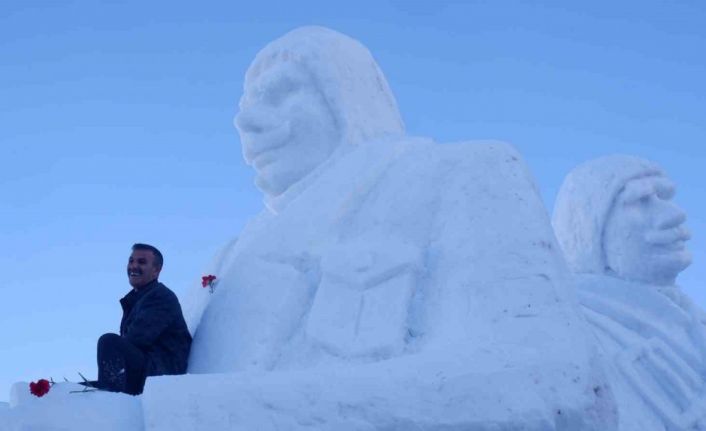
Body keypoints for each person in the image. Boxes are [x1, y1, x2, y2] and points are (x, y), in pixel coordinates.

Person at [553, 155, 706, 429]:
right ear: (590, 230)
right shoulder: (569, 332)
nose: (675, 215)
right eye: (640, 202)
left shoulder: (694, 321)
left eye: (664, 197)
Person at [90, 243, 192, 395]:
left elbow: (137, 339)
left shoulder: (160, 296)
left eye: (141, 262)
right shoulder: (138, 300)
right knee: (74, 388)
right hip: (145, 370)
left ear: (156, 270)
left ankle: (111, 399)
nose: (134, 266)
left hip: (160, 375)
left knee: (109, 342)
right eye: (131, 261)